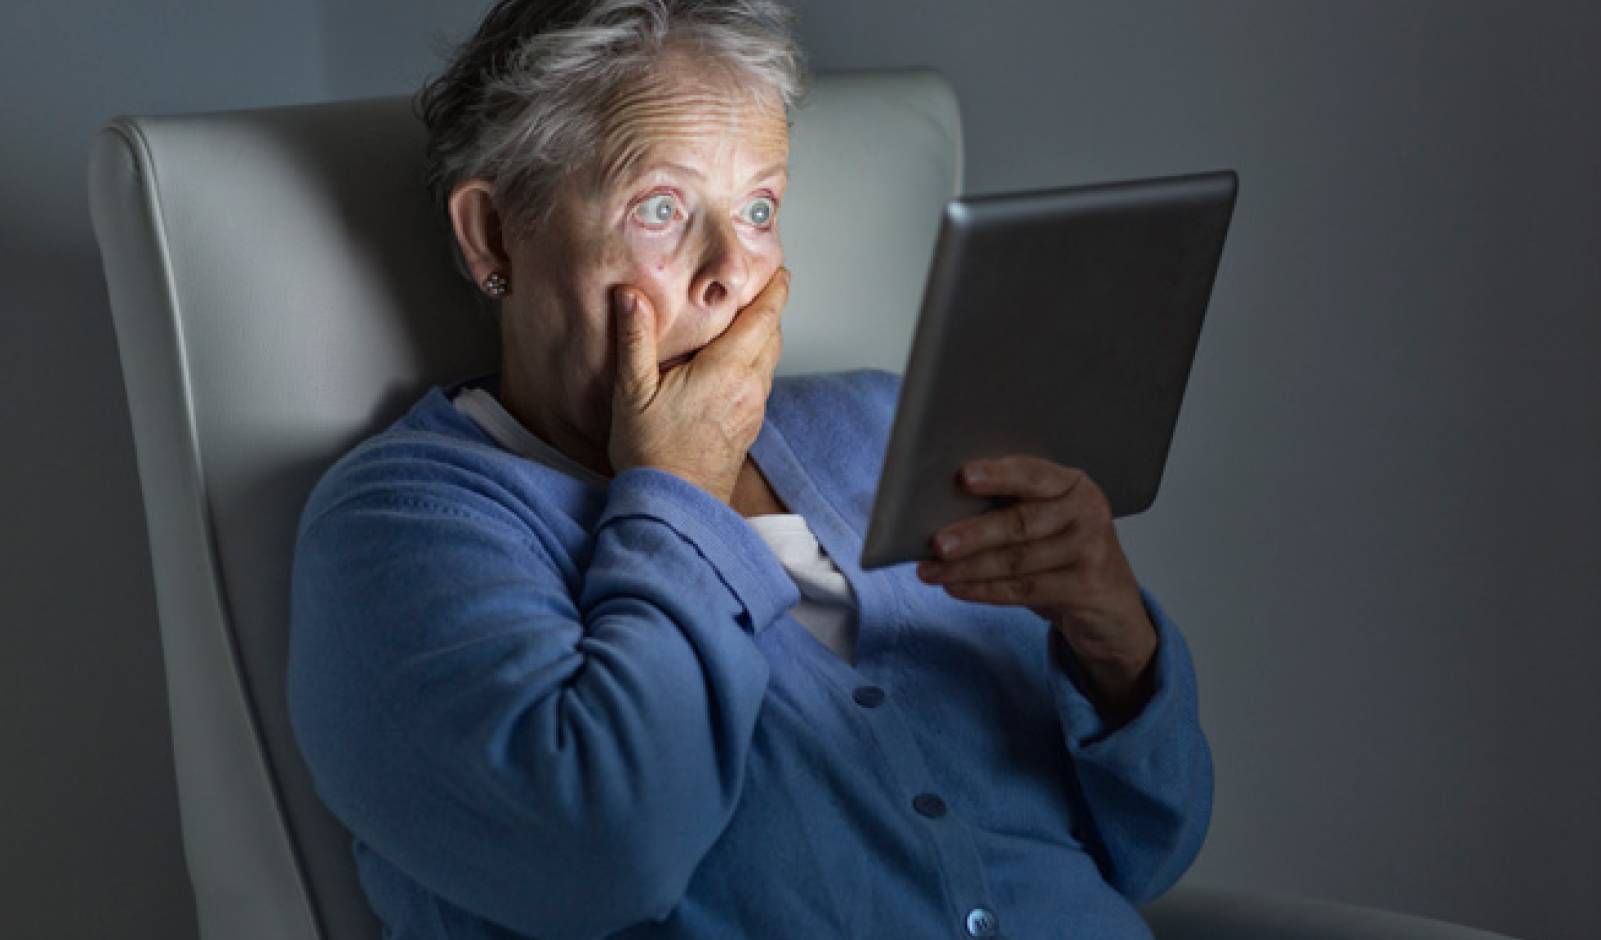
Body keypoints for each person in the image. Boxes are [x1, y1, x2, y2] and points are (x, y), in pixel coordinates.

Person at [286, 0, 1214, 937]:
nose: (733, 268)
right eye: (661, 207)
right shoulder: (399, 526)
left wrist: (1115, 646)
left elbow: (1144, 857)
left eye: (760, 207)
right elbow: (605, 859)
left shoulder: (882, 423)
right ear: (492, 235)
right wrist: (680, 486)